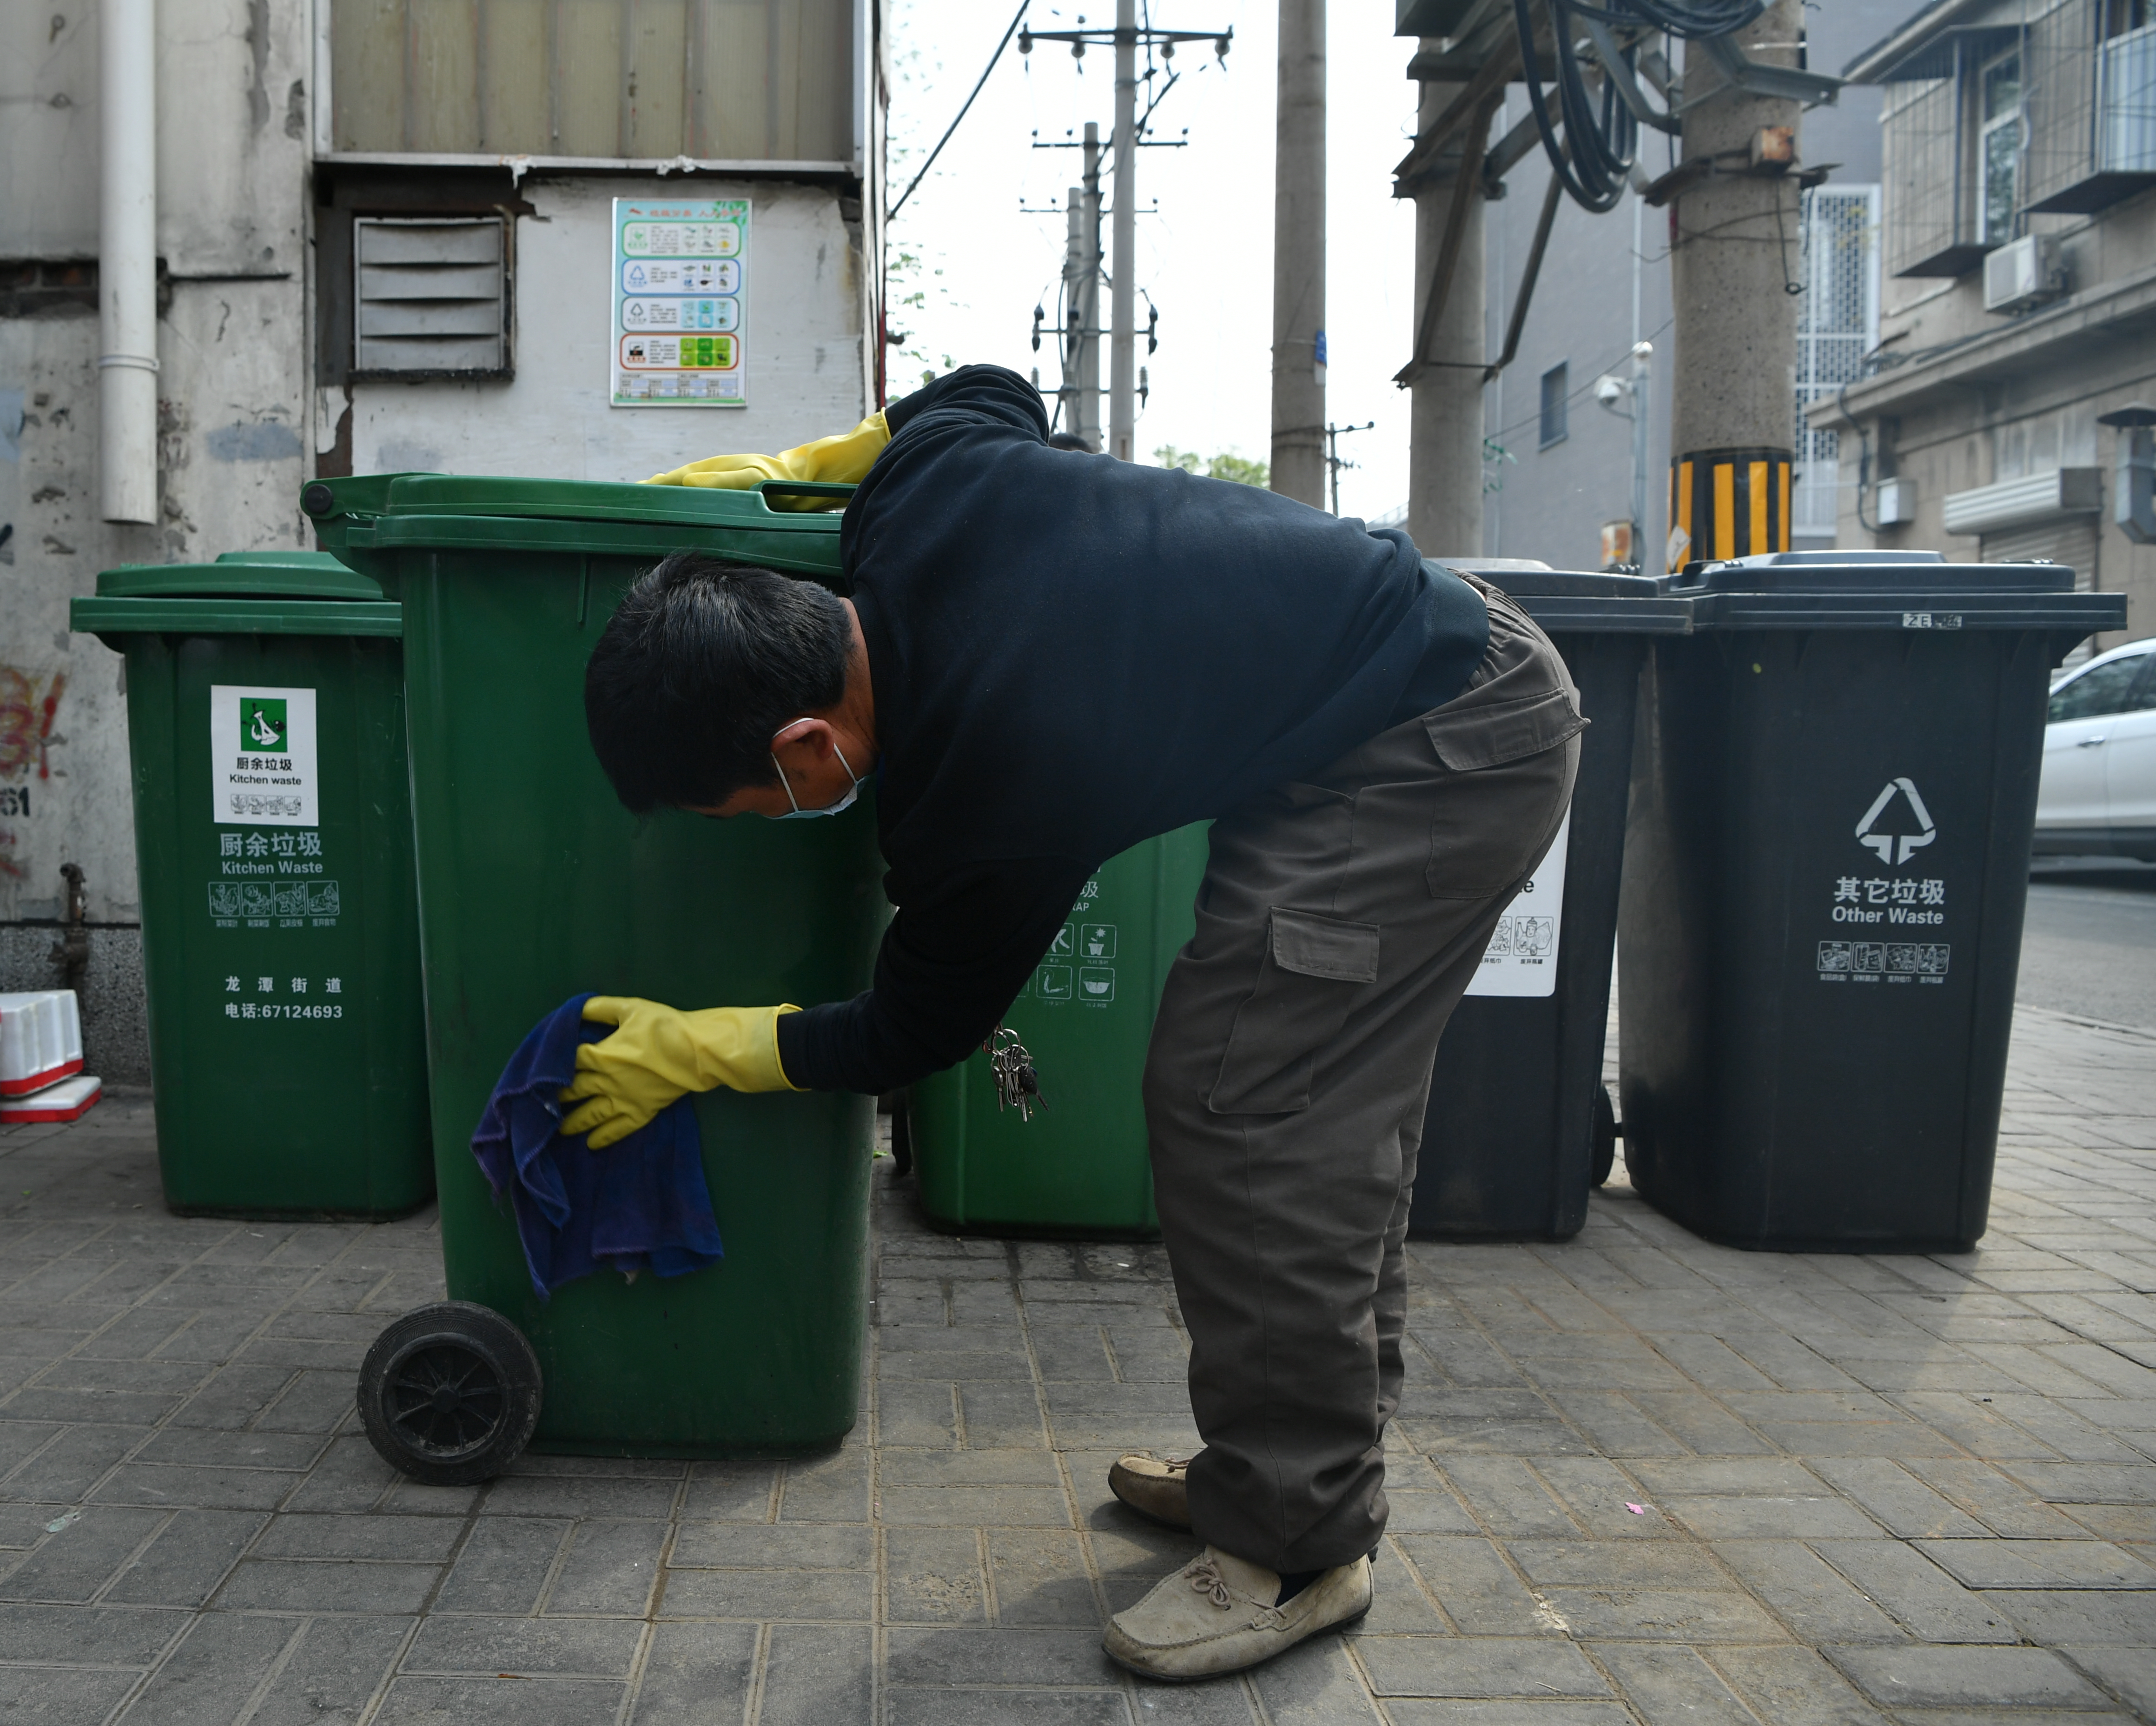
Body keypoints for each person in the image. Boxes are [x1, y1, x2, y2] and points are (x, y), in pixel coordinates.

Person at [564, 365, 1579, 1682]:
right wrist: (833, 450)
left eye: (739, 807)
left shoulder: (990, 773)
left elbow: (914, 1030)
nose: (755, 826)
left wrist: (692, 1049)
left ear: (809, 746)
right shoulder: (912, 503)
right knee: (1311, 1107)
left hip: (1442, 742)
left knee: (1252, 1113)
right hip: (1392, 685)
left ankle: (1296, 1541)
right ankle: (1288, 1468)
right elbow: (981, 392)